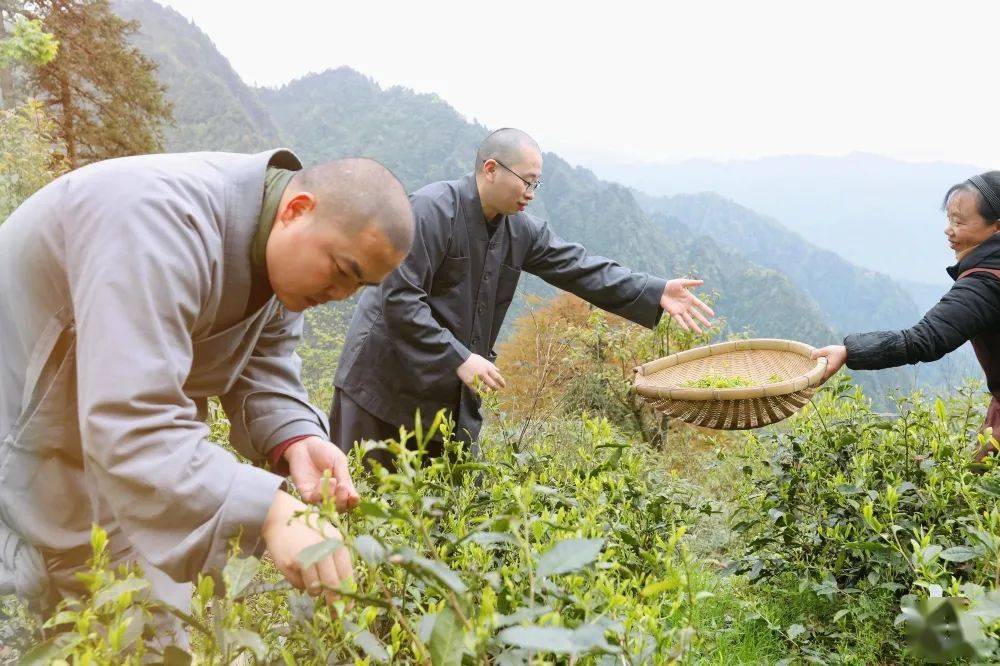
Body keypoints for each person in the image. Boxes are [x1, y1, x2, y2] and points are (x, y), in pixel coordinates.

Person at [0, 150, 414, 635]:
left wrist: (297, 439)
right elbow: (132, 423)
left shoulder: (280, 259)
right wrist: (270, 510)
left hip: (103, 456)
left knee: (141, 627)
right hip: (30, 427)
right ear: (296, 208)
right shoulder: (154, 223)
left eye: (361, 285)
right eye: (342, 271)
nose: (342, 295)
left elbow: (264, 363)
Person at [332, 128, 714, 466]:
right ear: (491, 169)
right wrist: (458, 356)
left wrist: (654, 289)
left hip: (443, 396)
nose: (531, 194)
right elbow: (399, 298)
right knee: (360, 511)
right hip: (378, 389)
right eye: (526, 181)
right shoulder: (431, 211)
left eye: (537, 184)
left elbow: (579, 266)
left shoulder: (520, 231)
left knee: (442, 521)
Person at [813, 171, 1000, 461]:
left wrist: (848, 352)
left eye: (959, 221)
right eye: (949, 218)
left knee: (975, 487)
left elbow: (925, 339)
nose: (948, 230)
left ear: (996, 228)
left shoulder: (985, 283)